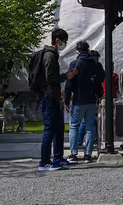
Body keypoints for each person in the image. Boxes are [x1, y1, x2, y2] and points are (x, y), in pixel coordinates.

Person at [38, 28, 77, 171]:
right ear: (57, 40)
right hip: (49, 97)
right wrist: (67, 76)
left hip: (53, 96)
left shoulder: (53, 55)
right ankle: (44, 161)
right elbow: (50, 78)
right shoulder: (49, 55)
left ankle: (58, 158)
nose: (65, 44)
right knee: (49, 129)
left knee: (59, 128)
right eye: (64, 41)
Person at [65, 40, 105, 163]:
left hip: (78, 99)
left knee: (74, 127)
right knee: (89, 127)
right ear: (88, 49)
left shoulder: (74, 64)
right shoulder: (95, 64)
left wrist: (67, 100)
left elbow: (69, 83)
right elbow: (102, 77)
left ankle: (73, 154)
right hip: (92, 99)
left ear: (78, 51)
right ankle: (88, 154)